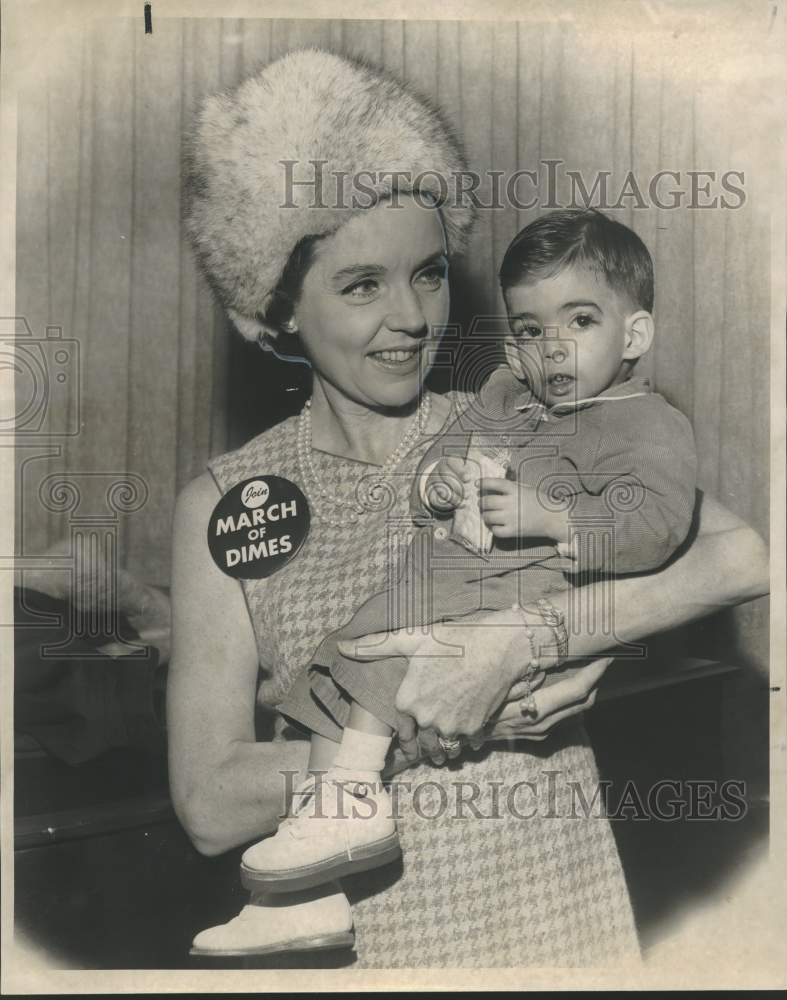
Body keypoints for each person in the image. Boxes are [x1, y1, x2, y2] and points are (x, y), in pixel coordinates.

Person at [169, 48, 769, 966]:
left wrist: (532, 639)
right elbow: (211, 804)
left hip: (557, 907)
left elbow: (740, 557)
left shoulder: (524, 412)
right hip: (382, 944)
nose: (411, 316)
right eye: (361, 284)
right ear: (276, 308)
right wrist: (451, 720)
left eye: (430, 272)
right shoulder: (229, 503)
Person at [238, 209, 698, 904]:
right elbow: (442, 464)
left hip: (508, 592)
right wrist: (438, 480)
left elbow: (661, 526)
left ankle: (348, 808)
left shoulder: (646, 422)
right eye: (529, 330)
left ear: (632, 334)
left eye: (579, 322)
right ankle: (308, 889)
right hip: (449, 574)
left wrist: (555, 520)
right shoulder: (504, 397)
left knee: (376, 661)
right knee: (338, 674)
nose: (552, 350)